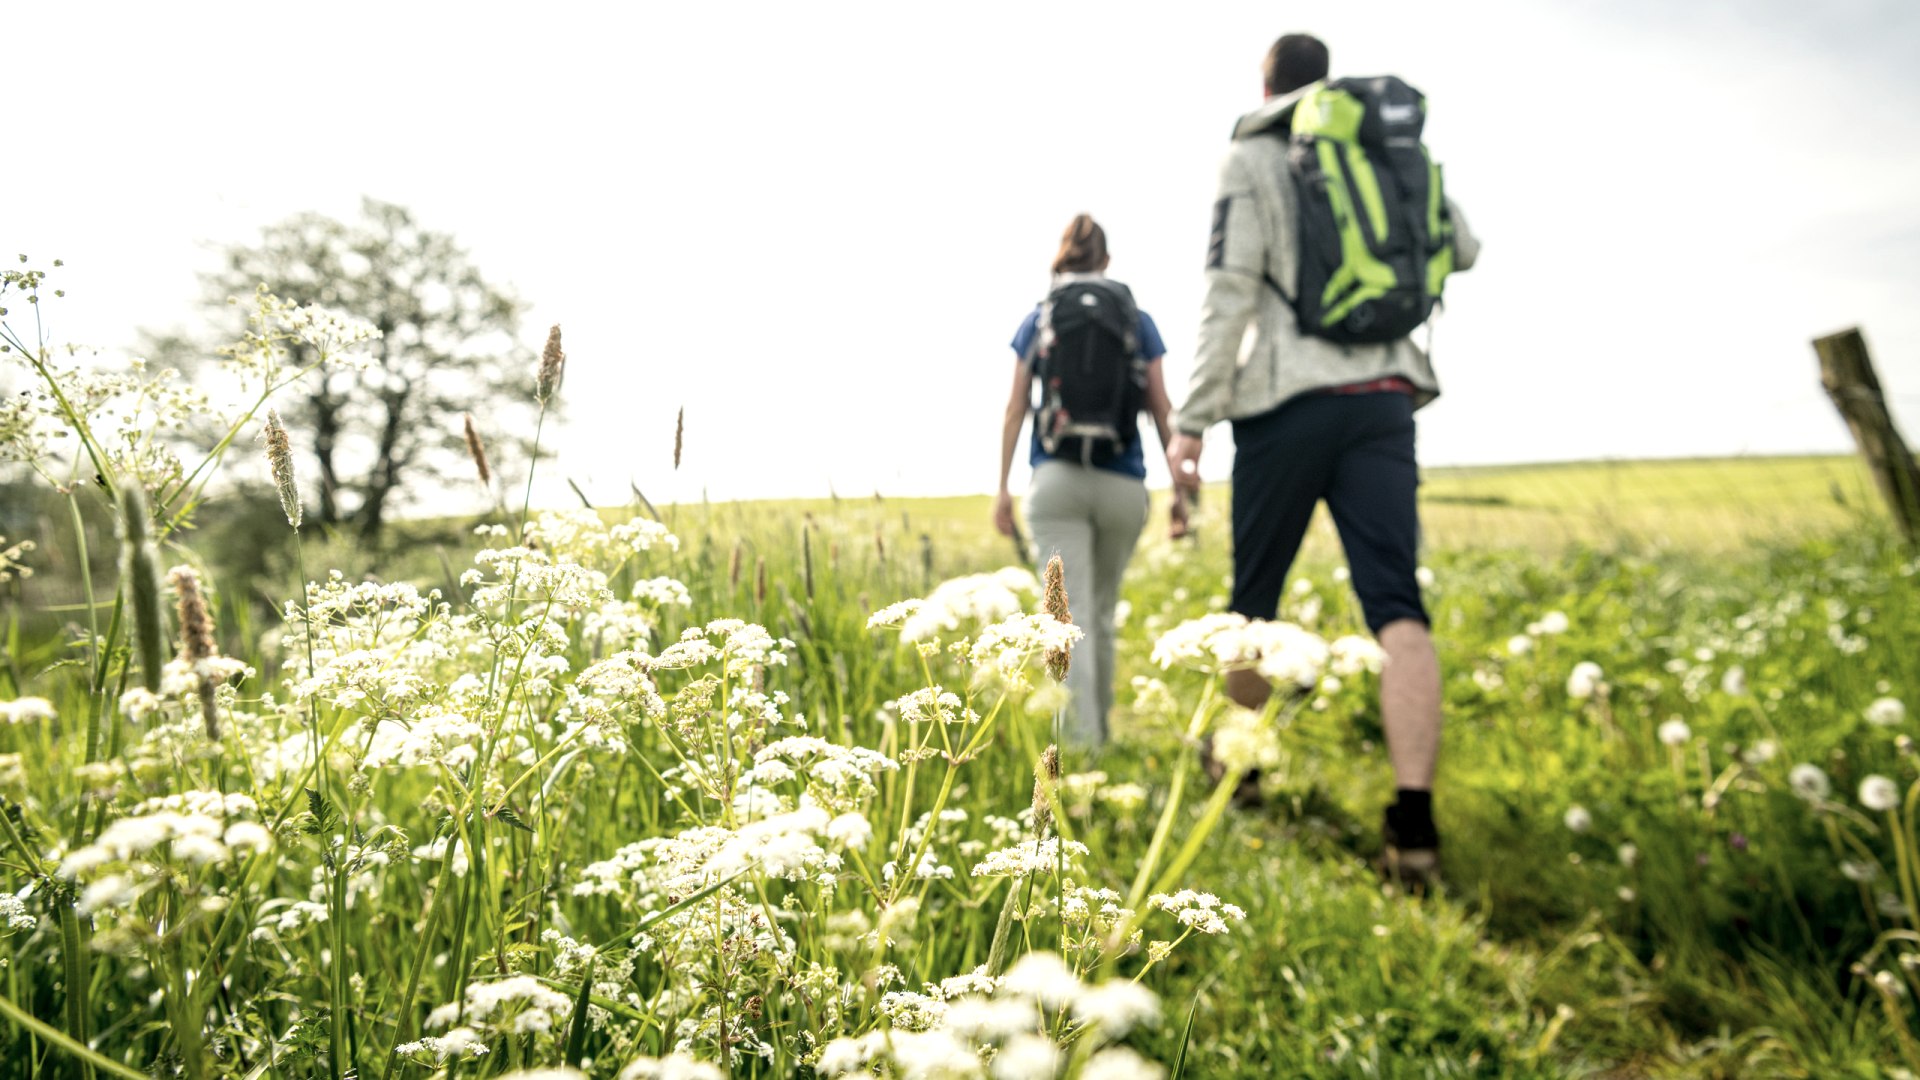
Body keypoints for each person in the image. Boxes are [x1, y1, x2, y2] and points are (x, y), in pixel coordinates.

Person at [1165, 33, 1480, 883]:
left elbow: (1228, 291)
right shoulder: (1386, 152)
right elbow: (1466, 243)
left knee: (1253, 604)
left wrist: (1191, 422)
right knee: (1396, 604)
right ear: (1330, 83)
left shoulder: (1251, 156)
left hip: (1284, 401)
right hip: (1385, 395)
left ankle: (1241, 776)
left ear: (1264, 84)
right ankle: (1413, 828)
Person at [995, 214, 1185, 747]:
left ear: (1061, 258)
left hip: (1054, 480)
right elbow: (1160, 406)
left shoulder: (1040, 319)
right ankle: (1099, 734)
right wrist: (1181, 490)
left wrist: (1003, 487)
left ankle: (1081, 750)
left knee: (1063, 614)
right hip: (1123, 482)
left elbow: (1015, 409)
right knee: (1099, 611)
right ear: (1105, 261)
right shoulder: (1135, 319)